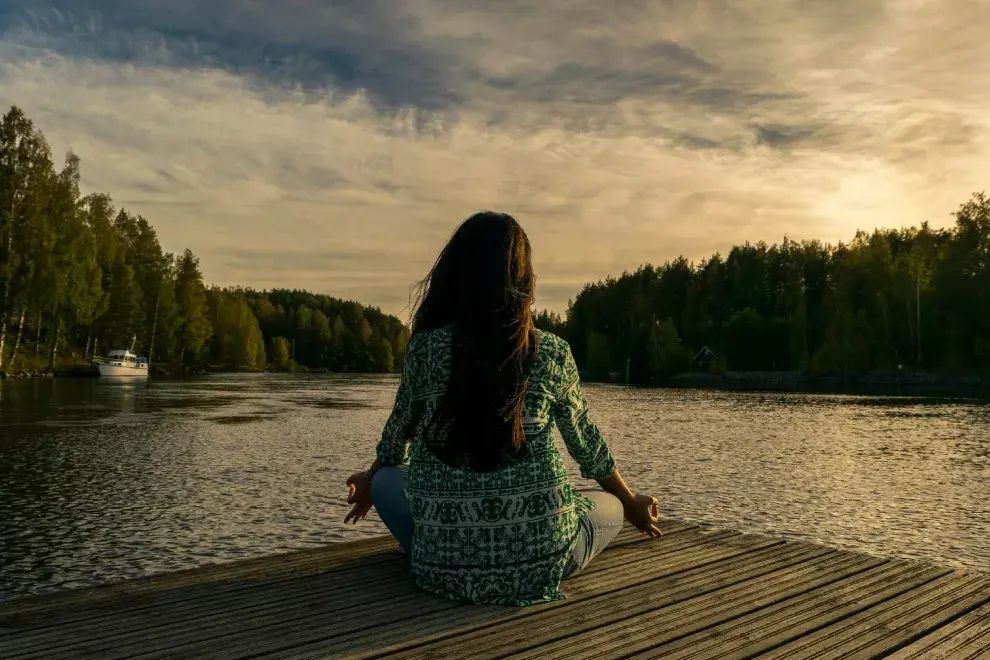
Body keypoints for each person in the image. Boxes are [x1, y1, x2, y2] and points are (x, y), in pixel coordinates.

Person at [343, 211, 661, 606]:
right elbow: (587, 447)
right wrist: (632, 503)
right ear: (523, 281)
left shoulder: (425, 349)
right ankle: (582, 520)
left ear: (454, 275)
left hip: (441, 568)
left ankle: (443, 546)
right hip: (542, 562)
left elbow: (395, 441)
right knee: (608, 504)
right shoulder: (552, 352)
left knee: (389, 478)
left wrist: (371, 479)